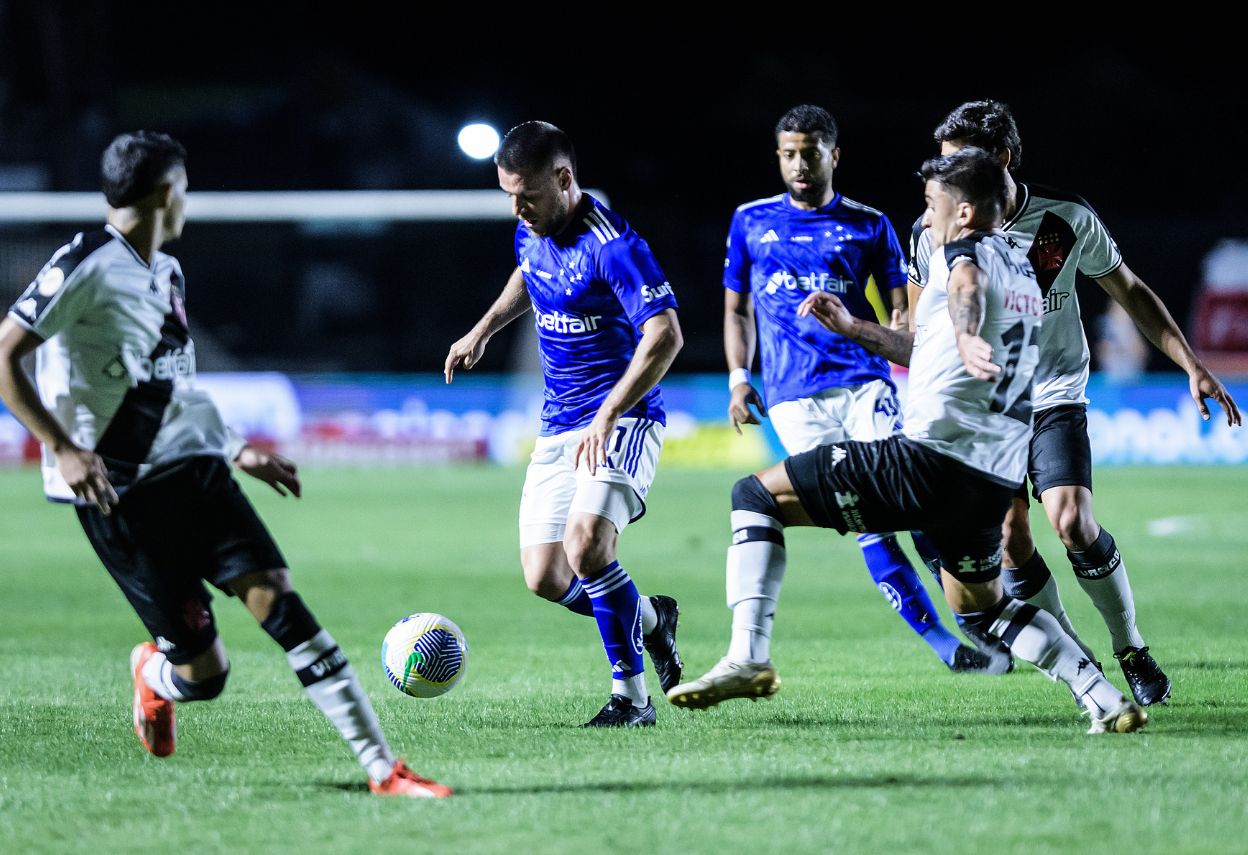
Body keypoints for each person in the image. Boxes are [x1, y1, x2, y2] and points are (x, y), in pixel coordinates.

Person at [0, 131, 449, 798]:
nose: (188, 199)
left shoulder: (168, 272)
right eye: (186, 186)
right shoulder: (84, 262)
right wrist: (62, 446)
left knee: (281, 601)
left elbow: (173, 386)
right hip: (118, 492)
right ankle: (155, 675)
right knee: (207, 674)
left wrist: (236, 448)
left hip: (194, 468)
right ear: (168, 192)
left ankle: (383, 769)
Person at [670, 148, 1148, 734]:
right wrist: (854, 328)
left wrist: (969, 335)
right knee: (983, 604)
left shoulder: (964, 256)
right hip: (987, 481)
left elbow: (966, 290)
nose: (924, 217)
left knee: (755, 496)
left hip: (928, 460)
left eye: (932, 204)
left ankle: (748, 655)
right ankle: (1101, 696)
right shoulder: (1025, 271)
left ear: (966, 211)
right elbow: (927, 345)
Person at [910, 101, 1242, 706]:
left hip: (1054, 389)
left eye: (959, 161)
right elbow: (917, 328)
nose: (945, 174)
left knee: (1072, 521)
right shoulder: (931, 229)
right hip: (986, 407)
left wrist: (1192, 364)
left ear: (1003, 159)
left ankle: (1131, 647)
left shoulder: (1064, 219)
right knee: (1011, 540)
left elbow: (1131, 290)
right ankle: (1075, 656)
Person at [719, 103, 1001, 677]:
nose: (800, 165)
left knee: (916, 498)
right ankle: (946, 646)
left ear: (833, 154)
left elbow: (902, 308)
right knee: (866, 522)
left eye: (811, 153)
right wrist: (738, 377)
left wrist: (907, 356)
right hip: (794, 399)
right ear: (779, 157)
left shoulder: (869, 223)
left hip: (864, 385)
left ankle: (972, 610)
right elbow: (736, 309)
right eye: (789, 154)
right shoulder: (749, 221)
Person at [444, 121, 684, 727]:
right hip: (559, 426)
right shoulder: (532, 227)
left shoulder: (615, 246)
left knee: (585, 546)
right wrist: (482, 330)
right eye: (508, 196)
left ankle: (631, 699)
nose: (517, 209)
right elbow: (530, 273)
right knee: (545, 576)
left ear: (565, 179)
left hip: (622, 420)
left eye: (526, 195)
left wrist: (609, 412)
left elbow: (666, 335)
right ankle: (652, 619)